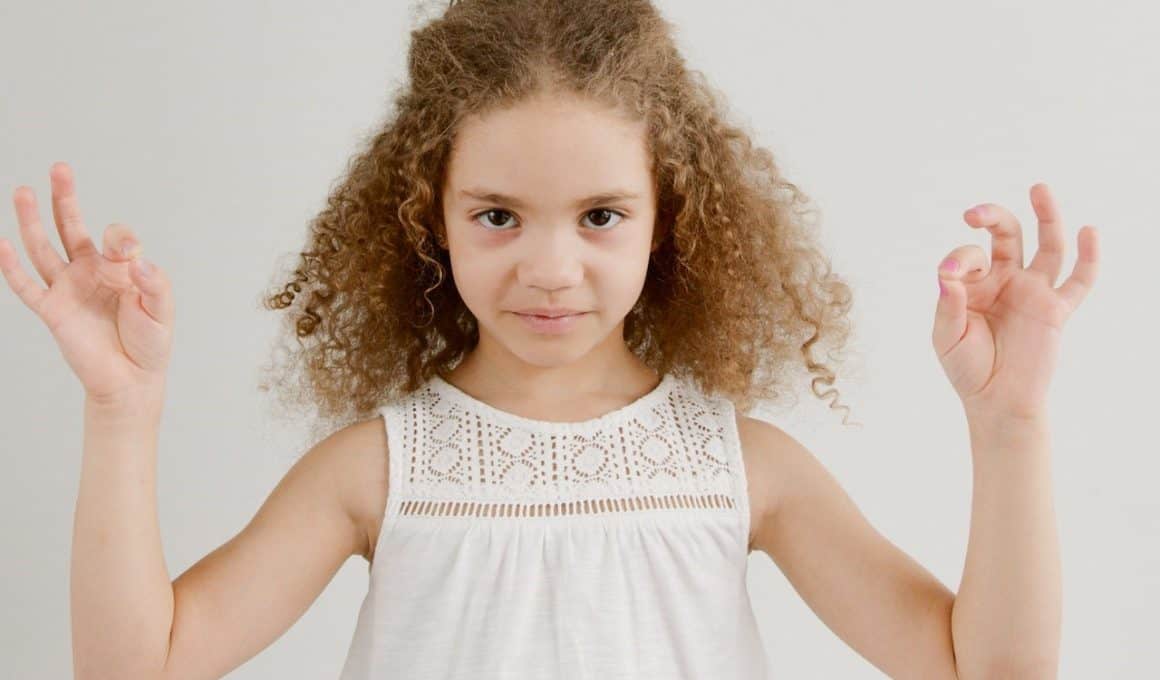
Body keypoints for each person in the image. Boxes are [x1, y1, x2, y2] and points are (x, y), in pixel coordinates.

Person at [0, 0, 1100, 678]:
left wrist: (1008, 422)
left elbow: (989, 669)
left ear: (669, 214)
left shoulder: (745, 465)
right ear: (426, 211)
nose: (547, 266)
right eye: (495, 214)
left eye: (600, 215)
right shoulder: (378, 469)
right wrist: (121, 410)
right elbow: (135, 664)